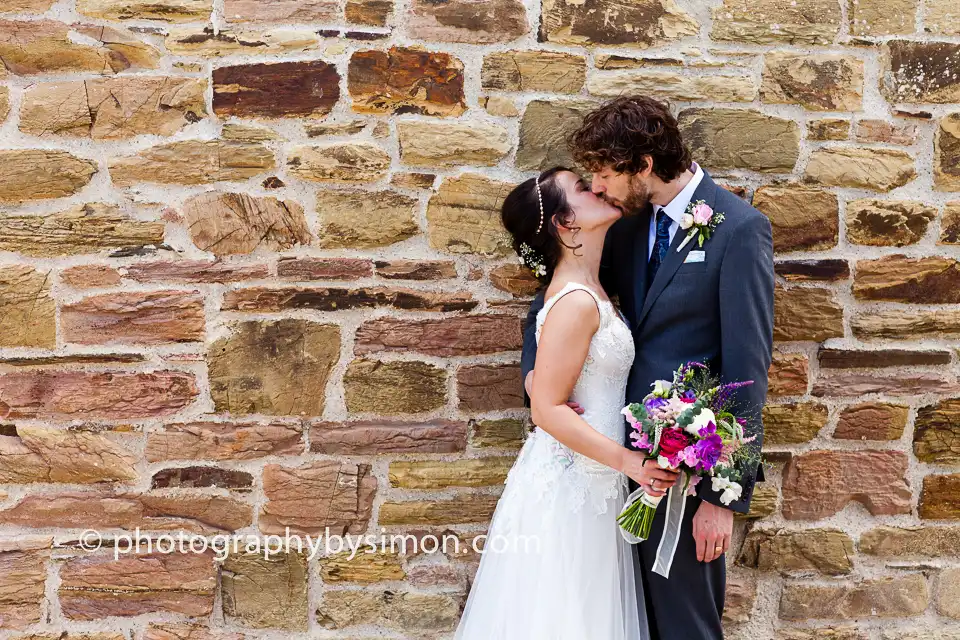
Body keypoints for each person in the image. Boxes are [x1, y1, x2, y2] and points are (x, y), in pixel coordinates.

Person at [520, 96, 775, 639]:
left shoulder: (739, 230)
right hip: (608, 466)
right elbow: (551, 298)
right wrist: (534, 377)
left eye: (607, 172)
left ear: (644, 166)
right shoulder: (626, 226)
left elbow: (746, 374)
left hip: (683, 471)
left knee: (684, 626)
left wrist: (722, 499)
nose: (598, 187)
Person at [455, 167, 675, 640]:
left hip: (595, 484)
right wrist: (631, 463)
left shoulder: (592, 289)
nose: (596, 186)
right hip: (572, 488)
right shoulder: (576, 301)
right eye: (582, 187)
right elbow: (547, 410)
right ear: (564, 222)